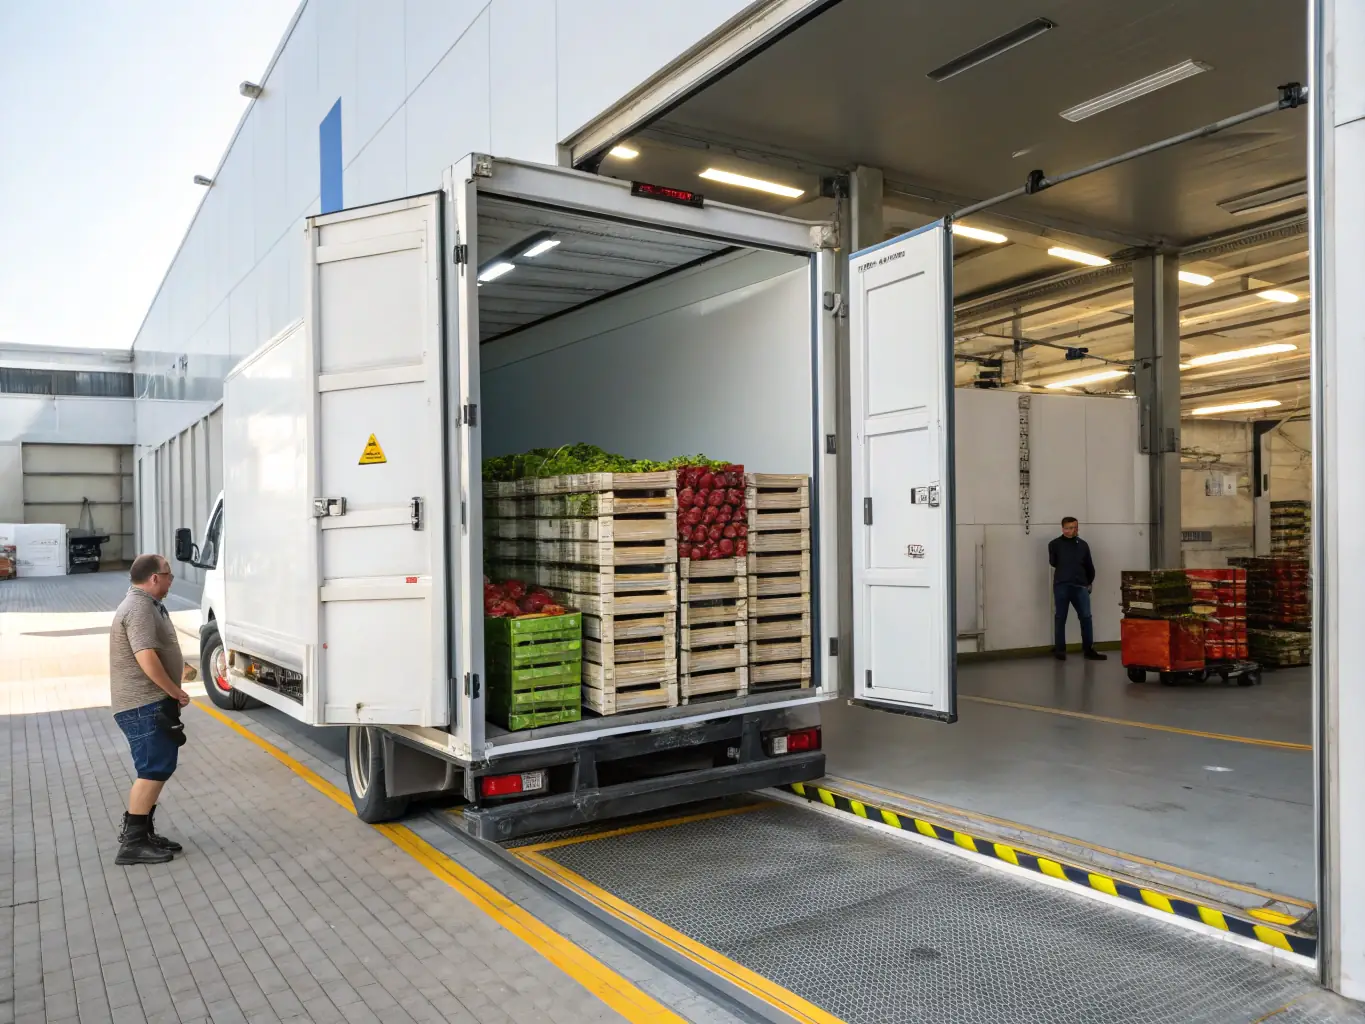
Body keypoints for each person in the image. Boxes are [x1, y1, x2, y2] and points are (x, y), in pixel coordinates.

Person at [109, 553, 191, 865]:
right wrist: (175, 691)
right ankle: (132, 843)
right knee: (152, 770)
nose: (172, 580)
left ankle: (144, 833)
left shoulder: (146, 604)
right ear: (154, 577)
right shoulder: (139, 608)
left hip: (149, 703)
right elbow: (145, 656)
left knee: (159, 767)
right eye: (168, 574)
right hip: (143, 704)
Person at [1048, 517, 1107, 662]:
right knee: (1060, 617)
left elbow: (1089, 565)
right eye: (1068, 528)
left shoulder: (1083, 545)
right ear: (1062, 528)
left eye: (1074, 527)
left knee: (1086, 617)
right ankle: (1060, 649)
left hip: (1080, 585)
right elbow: (1053, 562)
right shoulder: (1054, 544)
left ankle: (1088, 649)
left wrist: (1088, 582)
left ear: (1077, 528)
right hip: (1062, 585)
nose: (1071, 530)